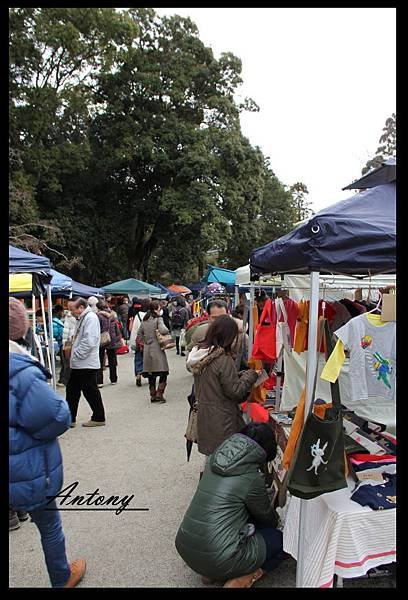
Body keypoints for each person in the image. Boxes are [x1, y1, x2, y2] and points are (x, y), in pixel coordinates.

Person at [9, 297, 86, 587]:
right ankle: (62, 577)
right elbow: (55, 416)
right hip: (25, 467)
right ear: (19, 331)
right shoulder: (20, 371)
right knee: (49, 524)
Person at [175, 422, 283, 588]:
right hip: (219, 557)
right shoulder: (251, 477)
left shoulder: (213, 459)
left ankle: (210, 573)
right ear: (264, 451)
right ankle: (244, 578)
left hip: (186, 546)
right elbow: (267, 517)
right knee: (279, 542)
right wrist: (277, 520)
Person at [186, 315, 259, 458]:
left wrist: (238, 375)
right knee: (223, 459)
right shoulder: (222, 359)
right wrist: (250, 376)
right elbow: (235, 392)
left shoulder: (201, 354)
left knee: (213, 457)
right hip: (222, 418)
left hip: (206, 415)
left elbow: (215, 382)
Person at [65, 297, 106, 427]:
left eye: (72, 309)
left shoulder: (90, 318)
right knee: (73, 390)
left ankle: (98, 417)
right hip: (81, 362)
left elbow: (89, 341)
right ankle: (70, 418)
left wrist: (75, 354)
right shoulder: (83, 318)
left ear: (81, 308)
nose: (70, 312)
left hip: (85, 362)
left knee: (89, 390)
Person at [137, 300, 170, 403]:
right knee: (164, 372)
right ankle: (159, 393)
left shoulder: (144, 320)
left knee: (151, 373)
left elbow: (139, 334)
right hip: (157, 349)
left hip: (147, 348)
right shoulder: (158, 319)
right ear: (157, 309)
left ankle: (152, 395)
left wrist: (146, 341)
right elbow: (163, 330)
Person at [96, 300, 120, 387]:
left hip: (102, 338)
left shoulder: (98, 316)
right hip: (112, 337)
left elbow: (96, 328)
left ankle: (99, 381)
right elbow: (117, 326)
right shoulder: (113, 314)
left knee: (100, 359)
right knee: (112, 359)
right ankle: (113, 378)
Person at [129, 299, 148, 386]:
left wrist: (132, 342)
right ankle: (148, 373)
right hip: (149, 340)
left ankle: (138, 373)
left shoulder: (137, 316)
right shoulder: (150, 316)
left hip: (139, 340)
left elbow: (134, 330)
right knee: (148, 358)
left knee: (138, 357)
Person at [57, 308, 77, 387]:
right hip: (69, 342)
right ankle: (65, 380)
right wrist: (65, 344)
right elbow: (65, 332)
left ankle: (65, 380)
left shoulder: (69, 318)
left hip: (69, 341)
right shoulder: (71, 318)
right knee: (68, 362)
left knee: (67, 362)